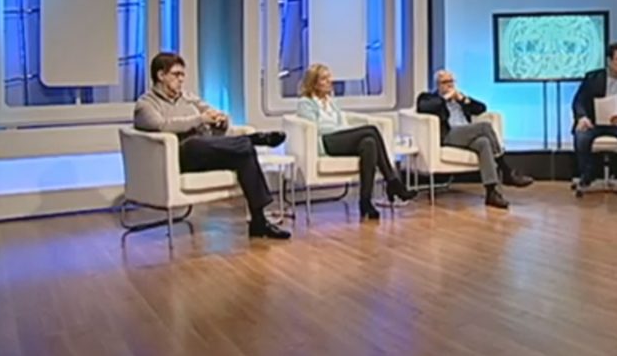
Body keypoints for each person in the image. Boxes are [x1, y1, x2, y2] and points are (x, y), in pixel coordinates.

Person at [134, 52, 291, 240]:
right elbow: (162, 126)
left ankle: (259, 222)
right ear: (160, 75)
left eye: (183, 75)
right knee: (194, 142)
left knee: (245, 154)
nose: (181, 79)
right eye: (176, 75)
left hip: (205, 149)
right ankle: (253, 139)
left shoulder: (188, 99)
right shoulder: (145, 104)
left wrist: (220, 120)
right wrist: (199, 119)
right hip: (177, 157)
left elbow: (210, 113)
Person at [295, 63, 417, 220]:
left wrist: (346, 132)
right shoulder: (305, 103)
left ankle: (365, 202)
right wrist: (344, 132)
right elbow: (316, 128)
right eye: (324, 78)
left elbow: (342, 123)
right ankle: (392, 181)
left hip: (339, 138)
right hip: (325, 142)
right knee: (371, 130)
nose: (330, 81)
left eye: (329, 77)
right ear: (314, 83)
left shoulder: (331, 101)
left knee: (369, 143)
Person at [415, 70, 533, 209]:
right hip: (449, 135)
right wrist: (445, 98)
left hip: (466, 134)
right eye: (445, 82)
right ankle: (506, 171)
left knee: (484, 142)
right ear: (437, 84)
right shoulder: (428, 98)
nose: (450, 85)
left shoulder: (460, 98)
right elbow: (424, 107)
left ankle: (491, 193)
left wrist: (464, 100)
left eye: (452, 81)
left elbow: (482, 108)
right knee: (485, 127)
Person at [571, 42, 617, 204]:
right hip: (595, 123)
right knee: (581, 135)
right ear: (609, 61)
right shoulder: (592, 78)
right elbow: (579, 101)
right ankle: (587, 174)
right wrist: (582, 117)